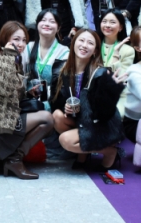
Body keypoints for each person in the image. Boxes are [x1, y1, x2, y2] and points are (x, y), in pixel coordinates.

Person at [0, 21, 53, 179]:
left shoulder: (15, 60)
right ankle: (14, 159)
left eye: (24, 40)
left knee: (48, 120)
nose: (21, 44)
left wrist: (28, 93)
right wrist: (9, 55)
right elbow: (2, 88)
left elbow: (9, 94)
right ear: (5, 40)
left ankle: (13, 158)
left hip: (5, 120)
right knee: (47, 119)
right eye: (16, 39)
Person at [51, 28, 126, 171]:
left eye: (90, 43)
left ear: (95, 51)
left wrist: (111, 90)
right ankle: (83, 154)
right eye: (81, 40)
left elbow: (104, 113)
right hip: (80, 119)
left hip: (99, 123)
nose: (84, 45)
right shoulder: (61, 68)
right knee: (57, 116)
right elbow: (54, 100)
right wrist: (65, 107)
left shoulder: (101, 73)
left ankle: (110, 152)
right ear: (73, 44)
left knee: (65, 140)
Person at [25, 9, 71, 110]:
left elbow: (61, 86)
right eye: (43, 20)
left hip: (51, 102)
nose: (47, 24)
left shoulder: (64, 52)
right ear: (37, 24)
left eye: (52, 21)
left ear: (58, 27)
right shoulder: (28, 47)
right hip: (27, 99)